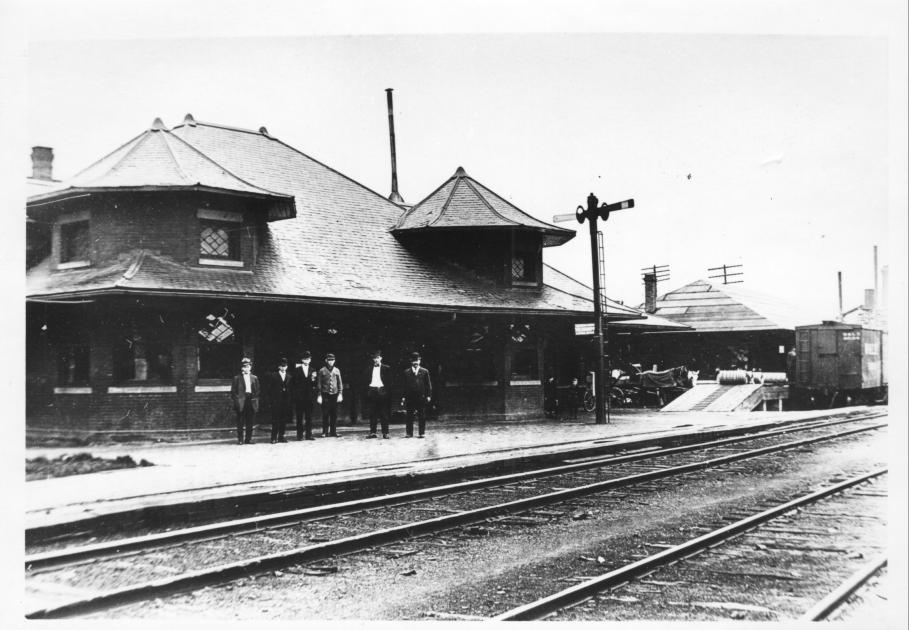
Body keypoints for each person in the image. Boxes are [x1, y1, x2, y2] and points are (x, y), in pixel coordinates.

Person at [362, 350, 392, 439]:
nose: (376, 360)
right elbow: (365, 382)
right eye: (374, 358)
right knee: (372, 413)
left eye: (378, 358)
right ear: (373, 359)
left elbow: (390, 382)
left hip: (382, 391)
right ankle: (373, 432)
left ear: (381, 358)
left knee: (384, 413)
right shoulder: (368, 369)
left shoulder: (386, 368)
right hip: (372, 392)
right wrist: (368, 391)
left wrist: (386, 391)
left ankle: (385, 433)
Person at [402, 352, 432, 438]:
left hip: (421, 397)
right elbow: (404, 385)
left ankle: (421, 433)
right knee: (409, 415)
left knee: (421, 415)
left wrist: (428, 395)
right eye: (414, 361)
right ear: (411, 361)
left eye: (417, 360)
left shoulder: (425, 371)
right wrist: (403, 396)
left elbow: (428, 385)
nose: (416, 362)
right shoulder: (407, 372)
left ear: (420, 361)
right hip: (410, 397)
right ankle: (409, 433)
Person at [230, 357, 260, 444]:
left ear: (250, 367)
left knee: (250, 421)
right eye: (244, 367)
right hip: (241, 401)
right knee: (240, 421)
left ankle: (248, 439)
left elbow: (258, 390)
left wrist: (255, 398)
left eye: (248, 366)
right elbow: (233, 392)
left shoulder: (254, 378)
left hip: (251, 400)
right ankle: (240, 439)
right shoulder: (237, 378)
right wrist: (237, 400)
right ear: (242, 368)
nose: (246, 368)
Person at [266, 357, 293, 444]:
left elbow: (291, 389)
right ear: (279, 367)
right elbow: (269, 389)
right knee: (275, 420)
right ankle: (274, 438)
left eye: (285, 366)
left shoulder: (289, 376)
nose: (283, 367)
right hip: (276, 401)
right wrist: (271, 401)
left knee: (283, 419)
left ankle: (281, 437)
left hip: (285, 401)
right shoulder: (273, 376)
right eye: (282, 366)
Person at [316, 353, 343, 437]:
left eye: (332, 360)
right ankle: (324, 432)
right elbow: (319, 384)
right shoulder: (322, 370)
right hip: (325, 394)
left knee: (334, 414)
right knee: (325, 413)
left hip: (334, 395)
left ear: (334, 361)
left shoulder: (337, 370)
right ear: (326, 360)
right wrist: (319, 395)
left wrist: (340, 394)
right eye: (329, 360)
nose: (331, 362)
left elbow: (340, 383)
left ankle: (333, 431)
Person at [291, 351, 317, 440]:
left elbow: (315, 383)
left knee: (309, 416)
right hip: (300, 397)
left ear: (310, 360)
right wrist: (296, 395)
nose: (307, 360)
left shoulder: (313, 370)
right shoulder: (297, 370)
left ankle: (309, 435)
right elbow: (293, 383)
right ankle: (299, 435)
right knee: (299, 416)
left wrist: (313, 380)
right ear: (302, 360)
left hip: (309, 397)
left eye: (308, 359)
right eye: (305, 359)